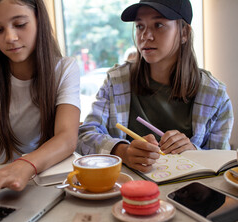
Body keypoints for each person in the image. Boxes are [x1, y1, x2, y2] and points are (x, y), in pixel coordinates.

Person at [77, 0, 233, 173]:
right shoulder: (116, 82)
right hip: (127, 190)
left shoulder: (215, 95)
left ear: (184, 33)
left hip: (187, 194)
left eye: (158, 25)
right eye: (139, 26)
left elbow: (223, 163)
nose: (145, 36)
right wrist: (122, 151)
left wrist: (193, 152)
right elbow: (84, 135)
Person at [0, 0, 80, 208]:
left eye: (20, 24)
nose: (10, 37)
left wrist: (24, 166)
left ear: (39, 20)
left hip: (48, 175)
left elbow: (67, 138)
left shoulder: (64, 69)